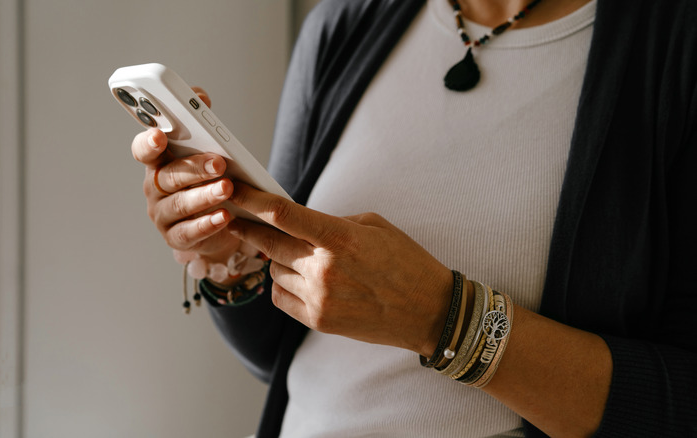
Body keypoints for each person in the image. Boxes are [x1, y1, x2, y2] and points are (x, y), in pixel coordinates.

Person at [130, 0, 697, 436]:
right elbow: (283, 356)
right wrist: (232, 259)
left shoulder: (671, 43)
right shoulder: (347, 21)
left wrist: (442, 319)